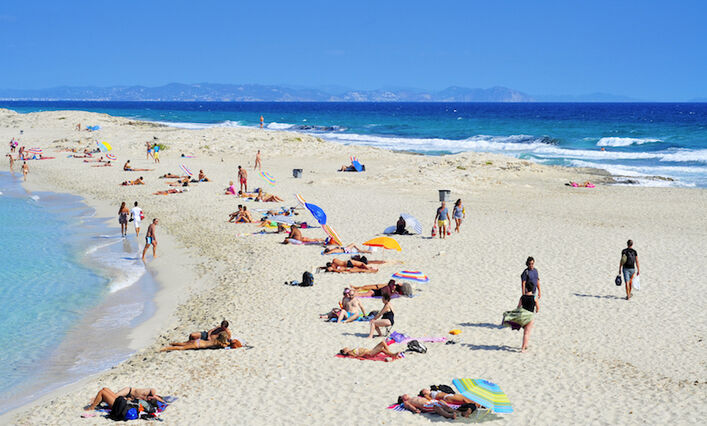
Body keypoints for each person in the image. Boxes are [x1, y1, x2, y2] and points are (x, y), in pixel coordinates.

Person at [84, 387, 164, 411]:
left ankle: (92, 407)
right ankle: (97, 401)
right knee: (105, 389)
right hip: (122, 402)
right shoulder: (146, 400)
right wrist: (163, 401)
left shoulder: (145, 403)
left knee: (102, 392)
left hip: (120, 406)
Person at [160, 331, 230, 351]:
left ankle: (172, 343)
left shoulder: (215, 339)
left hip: (199, 341)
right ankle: (166, 348)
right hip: (198, 345)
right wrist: (231, 346)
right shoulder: (220, 344)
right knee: (182, 348)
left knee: (183, 344)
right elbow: (226, 345)